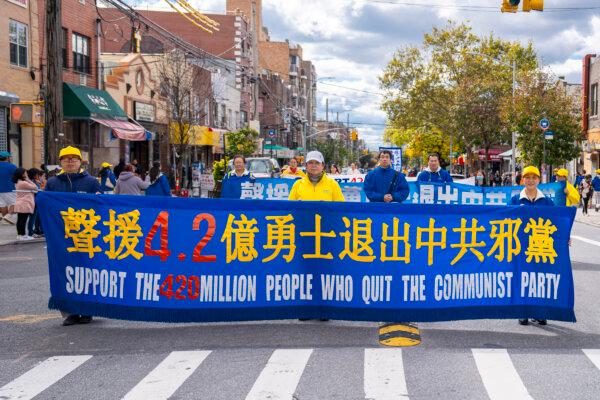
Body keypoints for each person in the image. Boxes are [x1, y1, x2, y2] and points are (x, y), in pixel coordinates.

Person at [45, 146, 102, 326]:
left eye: (74, 158)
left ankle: (87, 310)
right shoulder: (52, 183)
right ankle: (70, 312)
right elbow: (46, 208)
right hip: (61, 237)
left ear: (80, 162)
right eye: (66, 159)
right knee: (64, 273)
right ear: (61, 162)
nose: (70, 161)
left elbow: (102, 206)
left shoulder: (91, 182)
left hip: (86, 236)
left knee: (87, 273)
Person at [289, 150, 344, 321]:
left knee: (325, 271)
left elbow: (341, 208)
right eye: (310, 163)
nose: (313, 166)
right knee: (305, 271)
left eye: (316, 163)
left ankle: (323, 308)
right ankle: (305, 308)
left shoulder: (332, 185)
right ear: (305, 166)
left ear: (323, 166)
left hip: (326, 236)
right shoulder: (298, 185)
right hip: (304, 235)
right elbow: (289, 209)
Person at [510, 166, 553, 326]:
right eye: (527, 177)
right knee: (522, 277)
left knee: (539, 278)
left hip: (540, 246)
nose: (530, 180)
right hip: (520, 246)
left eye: (534, 177)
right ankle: (523, 311)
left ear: (538, 180)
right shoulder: (515, 199)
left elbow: (557, 222)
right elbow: (505, 221)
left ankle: (539, 311)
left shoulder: (547, 201)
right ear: (523, 180)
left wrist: (565, 237)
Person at [12, 167, 37, 241]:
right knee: (23, 220)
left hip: (20, 202)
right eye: (25, 172)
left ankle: (20, 235)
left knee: (20, 220)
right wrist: (28, 180)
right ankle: (22, 235)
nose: (26, 173)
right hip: (25, 203)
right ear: (22, 174)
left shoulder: (18, 182)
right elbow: (35, 187)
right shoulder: (23, 183)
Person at [0, 151, 17, 225]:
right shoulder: (12, 166)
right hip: (9, 188)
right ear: (7, 158)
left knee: (2, 205)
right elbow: (17, 177)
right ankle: (8, 216)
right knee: (15, 203)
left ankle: (5, 218)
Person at [26, 168, 44, 238]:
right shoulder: (31, 182)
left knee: (36, 217)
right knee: (32, 218)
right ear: (34, 175)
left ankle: (36, 230)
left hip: (36, 201)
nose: (38, 176)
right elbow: (36, 189)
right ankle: (30, 232)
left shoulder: (34, 181)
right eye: (37, 174)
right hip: (33, 201)